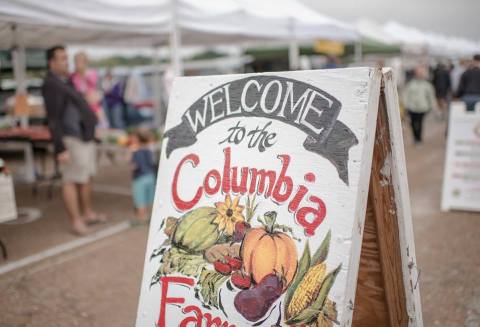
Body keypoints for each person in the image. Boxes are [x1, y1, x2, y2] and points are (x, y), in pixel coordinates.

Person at [42, 45, 105, 235]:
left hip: (84, 136)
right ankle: (75, 221)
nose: (66, 61)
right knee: (70, 179)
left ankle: (87, 214)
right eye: (62, 58)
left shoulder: (66, 81)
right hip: (71, 138)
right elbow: (53, 118)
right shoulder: (51, 84)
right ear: (51, 62)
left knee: (85, 177)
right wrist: (60, 147)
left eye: (66, 57)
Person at [71, 52, 108, 128]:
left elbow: (100, 91)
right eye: (76, 62)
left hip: (95, 108)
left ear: (85, 63)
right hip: (81, 109)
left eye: (79, 62)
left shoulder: (92, 74)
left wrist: (96, 96)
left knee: (102, 125)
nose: (77, 64)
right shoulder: (73, 77)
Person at [403, 65, 437, 144]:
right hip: (412, 107)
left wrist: (433, 105)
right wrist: (405, 105)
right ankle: (415, 137)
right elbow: (405, 95)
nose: (420, 75)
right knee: (413, 123)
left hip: (422, 107)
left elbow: (431, 96)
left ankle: (419, 138)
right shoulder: (410, 84)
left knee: (420, 122)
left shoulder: (427, 85)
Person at [129, 128, 156, 224]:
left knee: (140, 199)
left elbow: (134, 166)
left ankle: (141, 218)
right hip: (150, 176)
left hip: (139, 178)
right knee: (150, 198)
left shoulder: (135, 151)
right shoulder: (149, 150)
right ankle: (150, 217)